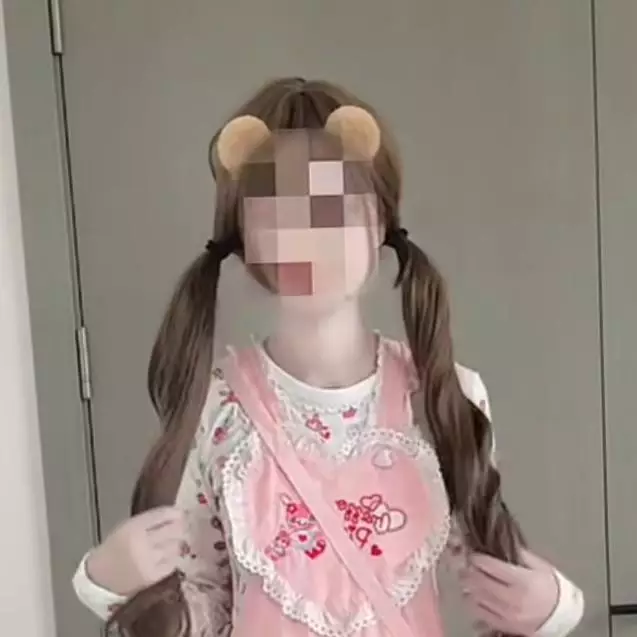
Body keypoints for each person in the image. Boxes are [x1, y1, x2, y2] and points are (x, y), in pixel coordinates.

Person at [72, 77, 584, 637]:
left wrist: (553, 608)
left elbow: (492, 586)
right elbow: (206, 609)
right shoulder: (215, 407)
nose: (308, 238)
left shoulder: (444, 396)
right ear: (244, 239)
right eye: (279, 216)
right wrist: (112, 583)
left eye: (334, 210)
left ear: (380, 224)